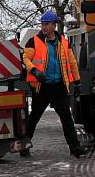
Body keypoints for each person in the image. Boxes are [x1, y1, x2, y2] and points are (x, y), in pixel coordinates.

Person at [22, 10, 85, 158]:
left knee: (66, 118)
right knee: (34, 117)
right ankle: (24, 146)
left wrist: (76, 80)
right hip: (41, 86)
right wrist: (34, 71)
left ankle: (75, 147)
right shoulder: (34, 41)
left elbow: (72, 62)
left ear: (54, 25)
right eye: (42, 24)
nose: (44, 27)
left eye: (47, 24)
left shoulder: (64, 42)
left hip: (59, 86)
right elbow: (25, 58)